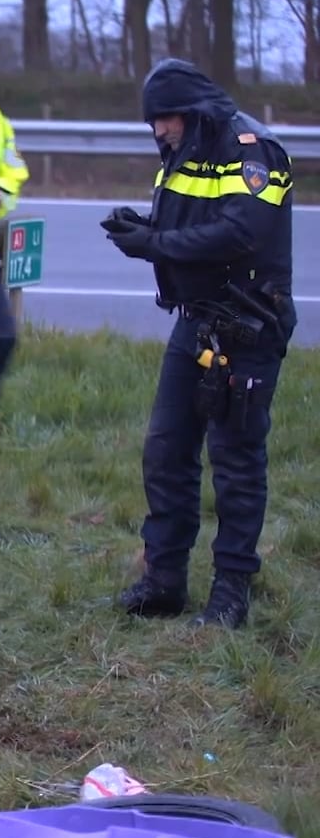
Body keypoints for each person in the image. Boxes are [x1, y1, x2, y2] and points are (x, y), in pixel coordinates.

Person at [104, 58, 296, 629]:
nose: (157, 131)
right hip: (196, 324)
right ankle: (163, 581)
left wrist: (153, 244)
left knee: (235, 464)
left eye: (163, 119)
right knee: (166, 453)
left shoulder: (254, 150)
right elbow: (190, 221)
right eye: (152, 122)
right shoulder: (185, 150)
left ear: (190, 111)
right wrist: (141, 226)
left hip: (246, 326)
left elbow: (242, 232)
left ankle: (231, 593)